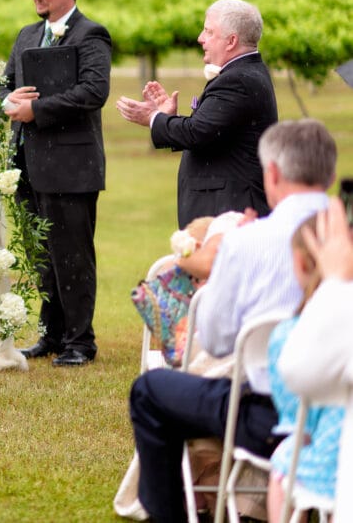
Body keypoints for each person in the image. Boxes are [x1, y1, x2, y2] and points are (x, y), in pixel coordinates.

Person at [129, 118, 336, 523]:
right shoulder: (340, 236)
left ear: (271, 174)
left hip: (269, 420)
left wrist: (230, 263)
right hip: (340, 413)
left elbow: (218, 339)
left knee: (150, 391)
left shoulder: (247, 240)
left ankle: (175, 512)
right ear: (328, 175)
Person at [0, 0, 112, 367]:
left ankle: (81, 342)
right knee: (42, 256)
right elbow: (4, 87)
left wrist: (38, 110)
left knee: (73, 257)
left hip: (72, 168)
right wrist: (9, 102)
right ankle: (51, 335)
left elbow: (93, 92)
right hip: (27, 165)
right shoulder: (27, 35)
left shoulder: (91, 35)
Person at [116, 0, 278, 228]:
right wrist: (167, 117)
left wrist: (154, 118)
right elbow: (212, 129)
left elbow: (197, 132)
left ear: (231, 41)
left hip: (230, 210)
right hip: (228, 205)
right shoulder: (245, 72)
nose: (200, 38)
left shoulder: (238, 80)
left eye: (208, 31)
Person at [266, 212, 345, 520]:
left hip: (331, 462)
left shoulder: (292, 335)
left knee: (285, 457)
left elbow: (297, 416)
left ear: (299, 264)